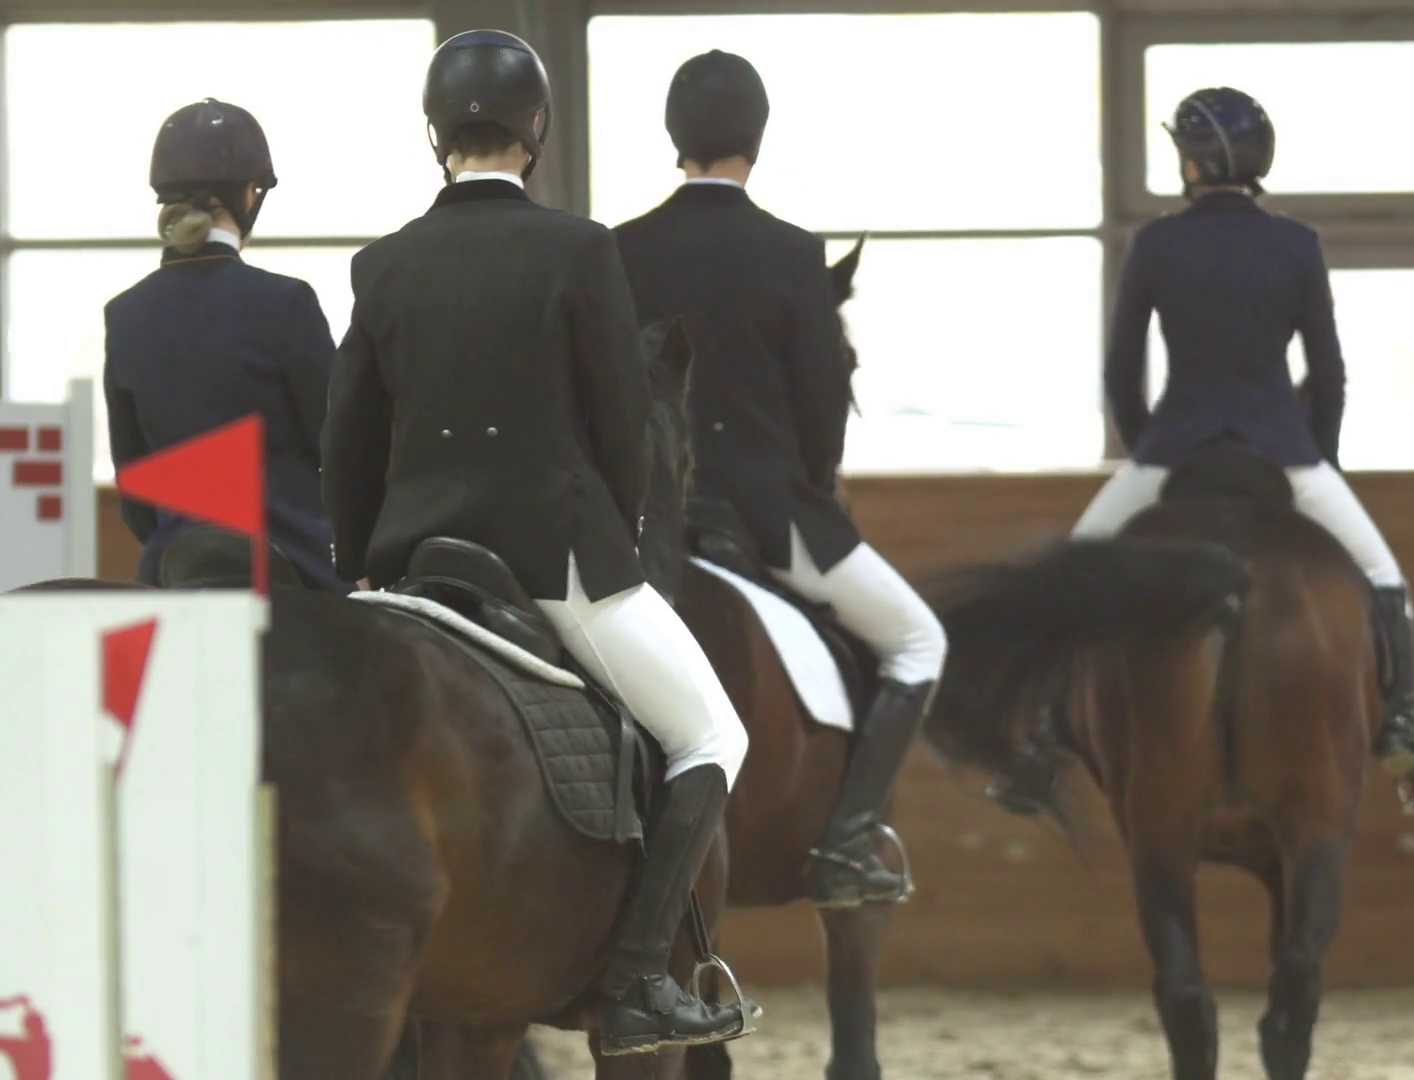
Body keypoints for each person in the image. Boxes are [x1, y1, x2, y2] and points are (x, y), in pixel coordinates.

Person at [320, 29, 751, 1056]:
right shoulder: (579, 249)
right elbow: (621, 422)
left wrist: (361, 568)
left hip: (412, 562)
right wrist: (622, 533)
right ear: (537, 128)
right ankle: (639, 977)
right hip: (555, 557)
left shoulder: (382, 264)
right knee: (710, 737)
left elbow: (347, 442)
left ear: (435, 132)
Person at [1068, 86, 1414, 815]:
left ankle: (1046, 733)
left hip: (1174, 448)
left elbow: (1121, 373)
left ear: (1191, 162)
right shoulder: (1296, 244)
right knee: (1385, 579)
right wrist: (1319, 458)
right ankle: (1402, 731)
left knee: (1075, 562)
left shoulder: (1155, 244)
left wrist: (1149, 446)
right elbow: (1329, 372)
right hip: (1282, 448)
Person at [611, 50, 948, 908]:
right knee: (918, 643)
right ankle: (848, 843)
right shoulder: (794, 253)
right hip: (766, 518)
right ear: (757, 138)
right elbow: (821, 404)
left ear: (674, 136)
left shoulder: (618, 250)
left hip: (638, 529)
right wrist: (813, 485)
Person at [104, 98, 346, 593]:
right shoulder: (286, 302)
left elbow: (133, 484)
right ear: (248, 196)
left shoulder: (125, 315)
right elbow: (338, 445)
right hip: (293, 568)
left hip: (175, 569)